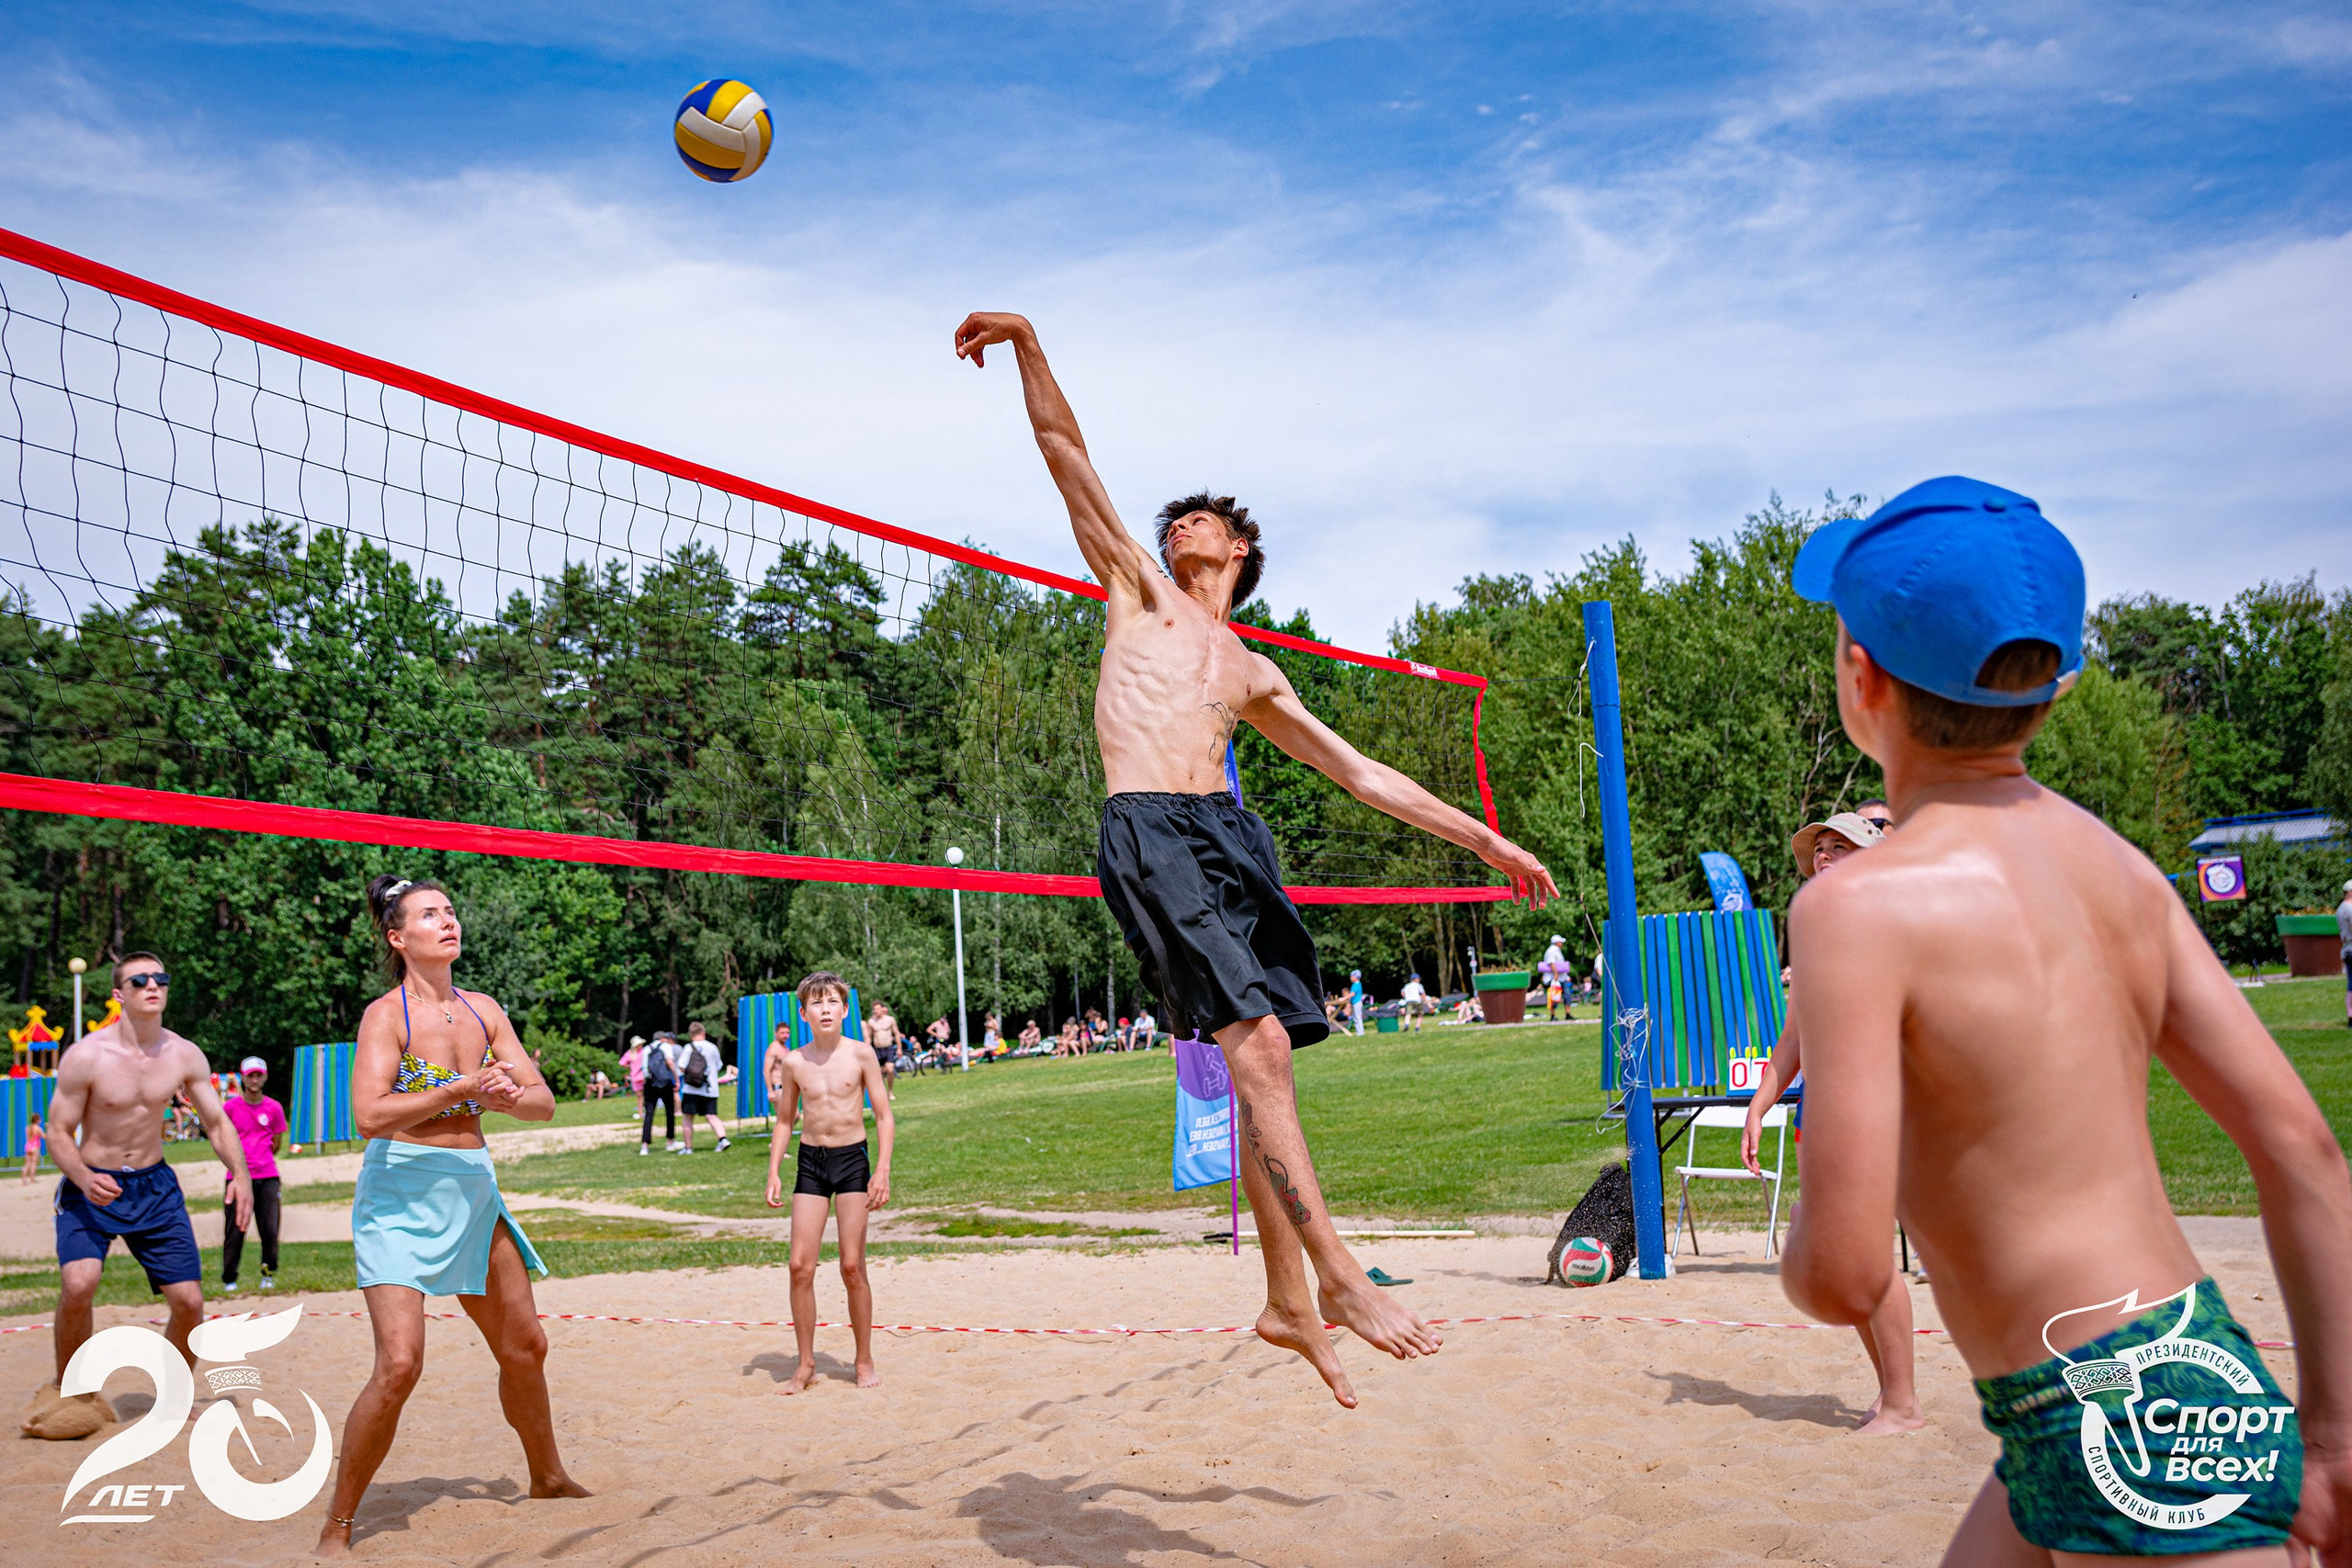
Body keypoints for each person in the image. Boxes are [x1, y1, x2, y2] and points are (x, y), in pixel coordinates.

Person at [956, 310, 1555, 1405]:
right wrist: (1031, 345)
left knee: (1270, 1063)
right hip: (1146, 823)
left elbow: (1366, 775)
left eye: (1204, 519)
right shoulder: (1133, 591)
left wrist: (1487, 839)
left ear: (1237, 554)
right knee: (1259, 1051)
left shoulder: (1250, 671)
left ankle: (1284, 1301)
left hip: (1228, 840)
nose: (1181, 522)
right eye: (1175, 516)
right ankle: (1334, 1277)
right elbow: (1066, 458)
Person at [1774, 477, 2352, 1562]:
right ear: (2058, 683)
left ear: (1861, 678)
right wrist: (2332, 1441)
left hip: (2107, 1411)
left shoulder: (1854, 906)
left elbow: (1850, 1273)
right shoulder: (2120, 871)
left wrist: (1802, 1256)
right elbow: (2303, 1150)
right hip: (2156, 1374)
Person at [318, 875, 586, 1553]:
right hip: (401, 1193)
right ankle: (340, 1520)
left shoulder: (484, 1009)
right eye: (429, 914)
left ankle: (548, 1475)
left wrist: (495, 1097)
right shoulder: (386, 1015)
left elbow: (542, 1101)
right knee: (400, 1362)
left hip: (472, 1188)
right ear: (397, 935)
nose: (448, 920)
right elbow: (369, 1114)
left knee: (526, 1345)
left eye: (451, 910)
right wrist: (464, 1089)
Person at [1739, 809, 1922, 1436]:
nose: (1823, 856)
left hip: (1873, 1100)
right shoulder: (1819, 929)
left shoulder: (1886, 922)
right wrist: (1760, 1104)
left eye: (1840, 846)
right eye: (1819, 848)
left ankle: (1902, 1403)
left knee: (1862, 1253)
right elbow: (1794, 1036)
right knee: (1824, 1245)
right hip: (1825, 1103)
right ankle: (1889, 1395)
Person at [27, 951, 252, 1436]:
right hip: (93, 1185)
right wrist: (85, 1178)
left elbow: (215, 1120)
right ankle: (71, 1389)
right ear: (118, 994)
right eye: (140, 980)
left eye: (160, 979)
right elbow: (59, 1133)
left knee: (189, 1301)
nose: (153, 986)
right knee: (79, 1284)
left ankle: (173, 1396)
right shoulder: (86, 1056)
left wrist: (241, 1174)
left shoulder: (183, 1054)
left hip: (154, 1187)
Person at [763, 971, 895, 1393]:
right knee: (800, 1265)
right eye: (816, 1003)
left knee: (852, 1265)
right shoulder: (795, 1061)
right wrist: (773, 1172)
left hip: (852, 1161)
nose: (824, 1009)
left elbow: (884, 1116)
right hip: (810, 1163)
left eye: (832, 1002)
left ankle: (863, 1359)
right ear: (803, 1013)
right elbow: (785, 1120)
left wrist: (883, 1170)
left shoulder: (860, 1055)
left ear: (844, 1009)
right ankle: (805, 1365)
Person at [220, 1055, 288, 1295]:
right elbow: (222, 1139)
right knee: (235, 1229)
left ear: (265, 1076)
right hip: (238, 1177)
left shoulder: (273, 1108)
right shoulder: (230, 1108)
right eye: (251, 1075)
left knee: (269, 1228)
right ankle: (229, 1278)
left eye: (259, 1074)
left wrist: (262, 1159)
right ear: (243, 1078)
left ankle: (268, 1273)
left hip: (267, 1175)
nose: (255, 1079)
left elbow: (277, 1142)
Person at [673, 1022, 729, 1153]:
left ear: (691, 1035)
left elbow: (681, 1066)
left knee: (688, 1117)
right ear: (703, 1033)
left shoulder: (688, 1047)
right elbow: (719, 1066)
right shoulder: (713, 1047)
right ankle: (723, 1139)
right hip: (710, 1088)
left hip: (692, 1088)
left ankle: (688, 1147)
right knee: (711, 1115)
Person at [639, 1029, 679, 1156]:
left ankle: (645, 1145)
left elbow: (644, 1069)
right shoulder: (666, 1046)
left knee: (649, 1113)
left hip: (650, 1084)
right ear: (662, 1039)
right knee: (669, 1112)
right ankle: (670, 1141)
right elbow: (670, 1063)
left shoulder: (646, 1049)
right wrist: (676, 1080)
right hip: (664, 1082)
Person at [2337, 877, 2352, 1031]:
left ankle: (2350, 1016)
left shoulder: (2340, 908)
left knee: (2351, 984)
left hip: (2346, 949)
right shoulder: (2350, 909)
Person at [19, 1111, 41, 1183]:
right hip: (35, 1147)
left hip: (28, 1146)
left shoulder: (27, 1128)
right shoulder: (38, 1128)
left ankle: (24, 1180)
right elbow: (45, 1136)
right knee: (33, 1164)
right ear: (37, 1120)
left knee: (27, 1164)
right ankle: (32, 1179)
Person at [1347, 970, 1366, 1037]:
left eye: (1351, 976)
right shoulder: (1357, 984)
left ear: (1356, 977)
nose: (1350, 978)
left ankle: (1361, 1032)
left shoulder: (1356, 984)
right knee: (1355, 1017)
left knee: (1358, 1017)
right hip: (1355, 1003)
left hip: (1357, 1003)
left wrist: (1343, 998)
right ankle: (1359, 1032)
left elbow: (1352, 994)